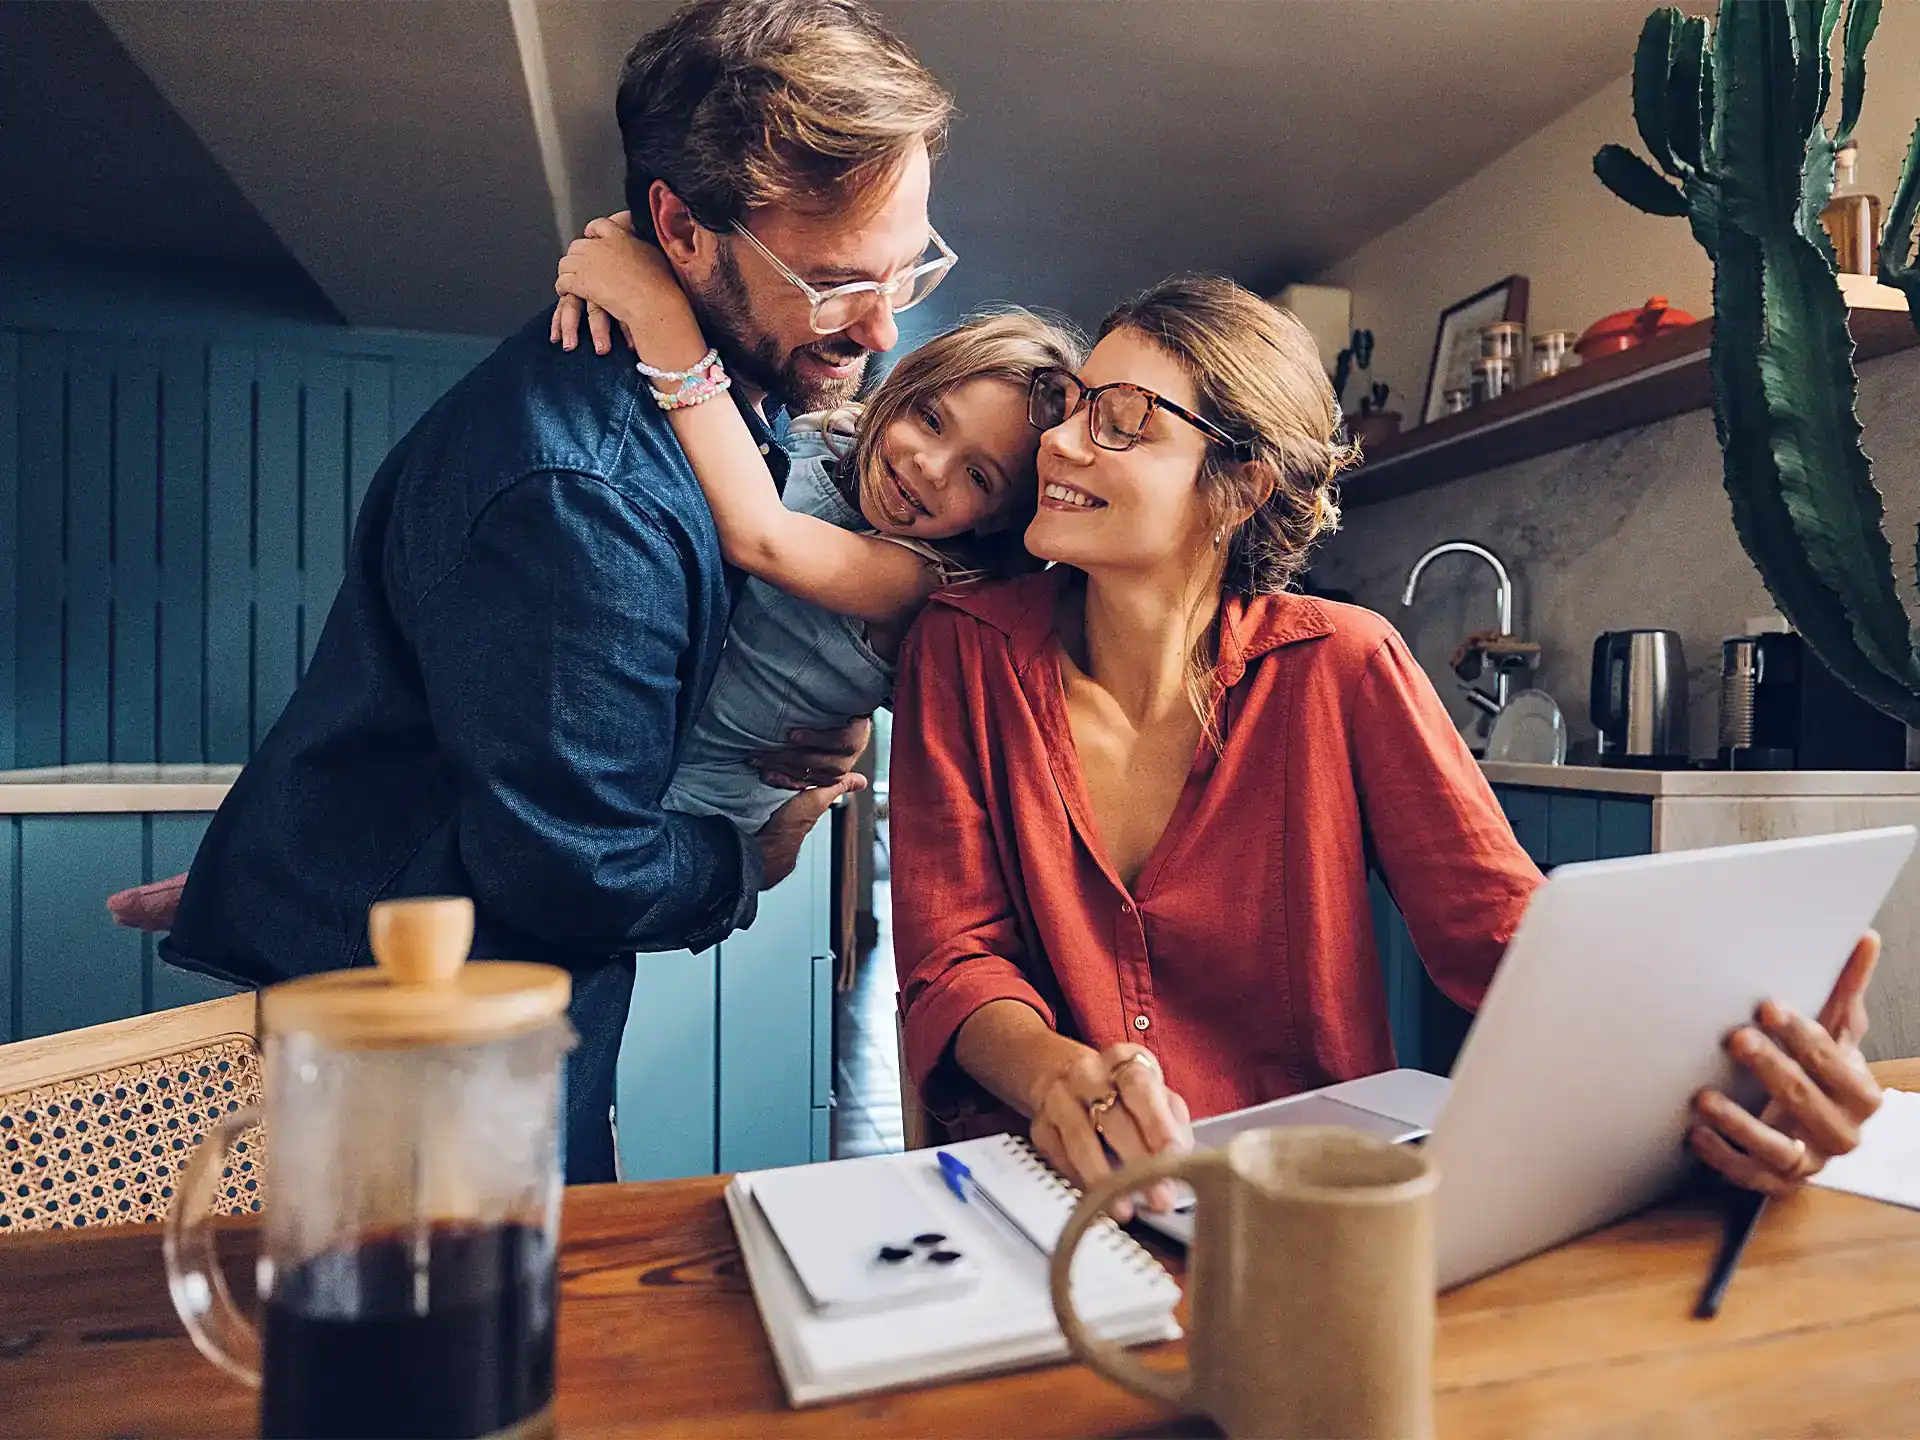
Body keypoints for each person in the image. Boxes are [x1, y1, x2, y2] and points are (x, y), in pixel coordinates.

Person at [157, 0, 954, 1184]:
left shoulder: (703, 385)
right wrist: (751, 861)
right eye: (836, 282)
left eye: (910, 266)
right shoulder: (587, 492)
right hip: (434, 1051)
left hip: (466, 991)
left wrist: (828, 717)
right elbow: (576, 867)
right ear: (680, 229)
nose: (882, 328)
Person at [889, 274, 1885, 1219]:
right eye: (1071, 407)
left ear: (1240, 484)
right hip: (1036, 1194)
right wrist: (1057, 1075)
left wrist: (1750, 1071)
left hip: (1305, 1203)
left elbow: (1508, 943)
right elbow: (955, 958)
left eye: (1120, 420)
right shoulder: (963, 649)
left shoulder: (1344, 665)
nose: (1059, 444)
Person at [547, 219, 1082, 830]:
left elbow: (762, 537)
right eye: (932, 420)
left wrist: (655, 309)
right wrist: (643, 240)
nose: (931, 467)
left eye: (979, 477)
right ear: (903, 392)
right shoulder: (835, 435)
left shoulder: (918, 578)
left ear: (996, 522)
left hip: (702, 801)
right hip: (644, 731)